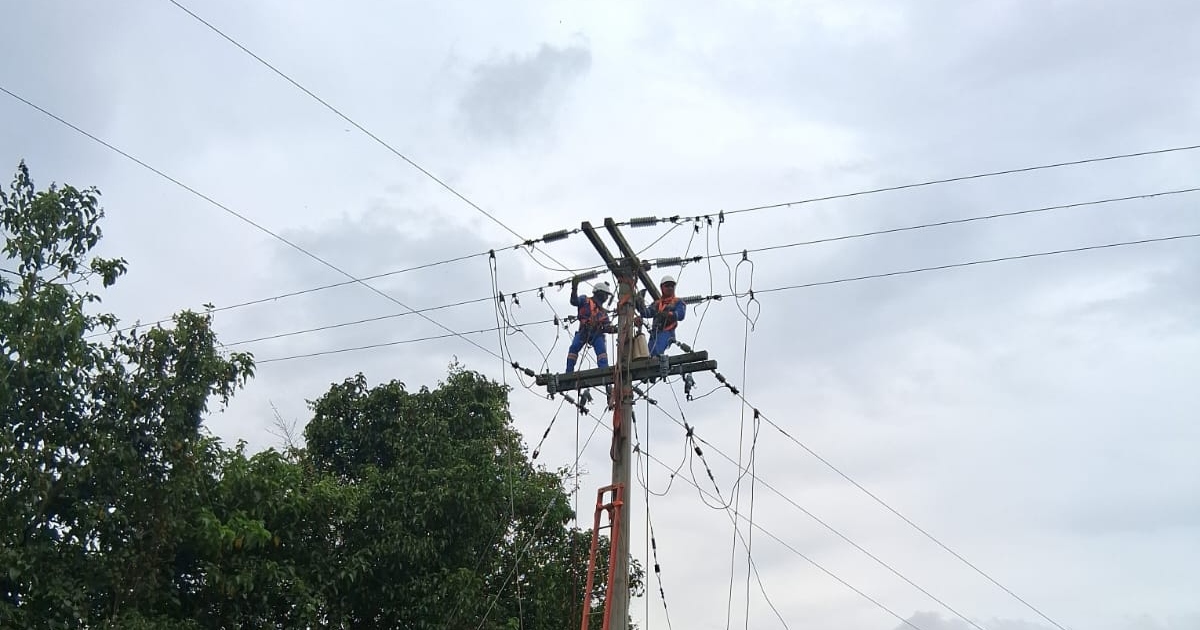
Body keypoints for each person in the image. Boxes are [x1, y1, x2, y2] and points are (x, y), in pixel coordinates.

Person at [565, 279, 613, 373]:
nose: (606, 297)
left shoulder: (603, 312)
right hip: (584, 331)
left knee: (602, 352)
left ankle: (604, 373)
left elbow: (607, 326)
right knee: (574, 348)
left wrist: (615, 329)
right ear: (599, 293)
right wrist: (574, 288)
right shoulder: (585, 300)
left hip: (596, 334)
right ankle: (569, 372)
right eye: (605, 294)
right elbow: (574, 301)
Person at [641, 275, 686, 357]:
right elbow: (646, 313)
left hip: (667, 332)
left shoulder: (677, 301)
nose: (670, 288)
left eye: (672, 286)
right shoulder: (657, 304)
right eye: (667, 286)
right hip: (655, 333)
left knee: (656, 351)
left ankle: (659, 365)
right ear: (662, 287)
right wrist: (640, 303)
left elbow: (681, 315)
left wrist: (669, 314)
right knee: (649, 354)